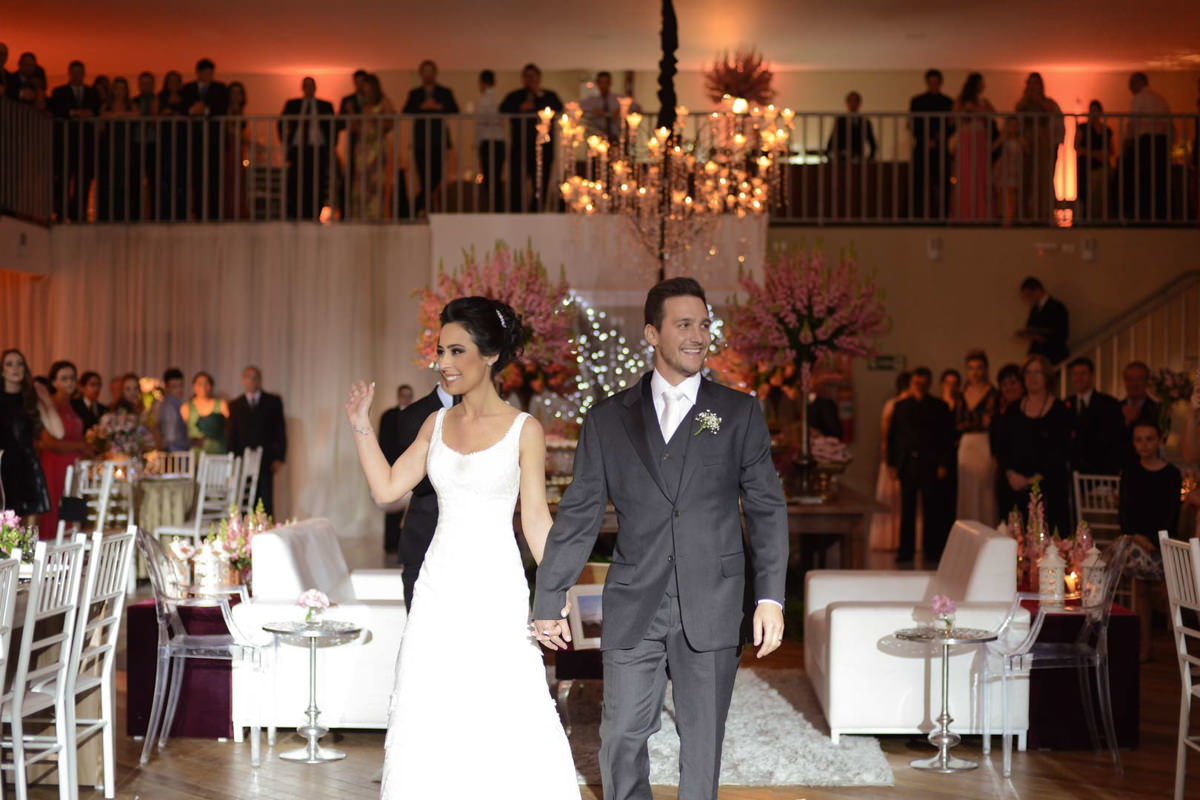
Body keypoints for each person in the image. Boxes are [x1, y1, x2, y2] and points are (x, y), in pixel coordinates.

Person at [532, 277, 787, 800]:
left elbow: (765, 509)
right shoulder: (607, 420)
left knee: (702, 740)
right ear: (652, 333)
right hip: (635, 597)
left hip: (715, 602)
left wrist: (769, 597)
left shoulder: (739, 413)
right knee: (622, 731)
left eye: (704, 324)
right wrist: (548, 596)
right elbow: (578, 514)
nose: (698, 336)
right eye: (684, 325)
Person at [345, 296, 578, 797]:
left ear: (490, 356)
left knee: (504, 702)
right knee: (430, 703)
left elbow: (536, 519)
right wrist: (361, 425)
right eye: (440, 351)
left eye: (457, 351)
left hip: (497, 587)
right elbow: (387, 488)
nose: (444, 364)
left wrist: (555, 595)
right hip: (438, 586)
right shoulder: (436, 424)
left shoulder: (525, 430)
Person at [378, 381, 454, 601]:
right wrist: (360, 425)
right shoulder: (423, 417)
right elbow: (388, 489)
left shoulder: (511, 421)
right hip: (424, 535)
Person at [1118, 420, 1182, 661]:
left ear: (1159, 440)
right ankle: (1145, 645)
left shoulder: (1172, 474)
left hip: (1163, 540)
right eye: (1138, 440)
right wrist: (1138, 537)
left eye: (1149, 439)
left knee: (1169, 594)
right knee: (1141, 591)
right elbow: (1124, 513)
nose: (1144, 445)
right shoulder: (1130, 471)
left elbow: (1172, 513)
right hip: (1137, 539)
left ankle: (1180, 647)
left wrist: (1156, 540)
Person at [994, 354, 1072, 537]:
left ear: (1047, 376)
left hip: (1048, 488)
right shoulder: (1012, 411)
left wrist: (1032, 480)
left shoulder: (1060, 410)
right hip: (1013, 487)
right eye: (1028, 373)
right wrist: (1011, 474)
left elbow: (1061, 451)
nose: (1032, 377)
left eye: (1037, 372)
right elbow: (1001, 447)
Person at [887, 366, 956, 564]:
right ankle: (905, 551)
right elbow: (893, 436)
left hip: (930, 464)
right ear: (911, 383)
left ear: (929, 384)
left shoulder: (939, 407)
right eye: (917, 383)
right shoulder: (900, 406)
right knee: (907, 509)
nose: (920, 386)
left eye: (924, 383)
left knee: (931, 509)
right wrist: (892, 464)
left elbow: (946, 438)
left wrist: (944, 464)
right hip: (907, 463)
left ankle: (932, 550)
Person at [0, 349, 62, 531]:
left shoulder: (31, 398)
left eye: (20, 363)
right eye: (9, 364)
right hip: (3, 468)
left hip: (27, 467)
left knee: (28, 535)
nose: (15, 368)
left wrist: (47, 401)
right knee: (6, 532)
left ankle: (27, 559)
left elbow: (58, 432)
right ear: (2, 370)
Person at [500, 63, 563, 213]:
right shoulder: (515, 96)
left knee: (540, 183)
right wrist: (521, 108)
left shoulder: (548, 96)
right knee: (516, 182)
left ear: (539, 78)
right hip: (520, 147)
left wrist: (538, 97)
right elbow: (503, 109)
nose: (530, 80)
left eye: (533, 77)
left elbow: (558, 108)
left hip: (543, 147)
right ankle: (516, 213)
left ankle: (537, 212)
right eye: (527, 77)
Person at [226, 366, 287, 516]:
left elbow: (280, 430)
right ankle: (245, 532)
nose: (251, 380)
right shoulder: (235, 405)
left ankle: (267, 531)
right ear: (242, 380)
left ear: (260, 380)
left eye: (255, 377)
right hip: (243, 458)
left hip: (266, 458)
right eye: (248, 377)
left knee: (265, 498)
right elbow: (231, 434)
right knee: (244, 499)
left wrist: (279, 457)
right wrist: (233, 459)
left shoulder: (273, 401)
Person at [37, 361, 88, 539]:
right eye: (64, 378)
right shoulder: (49, 406)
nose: (69, 383)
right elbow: (49, 442)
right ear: (53, 382)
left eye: (72, 378)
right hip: (55, 466)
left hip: (73, 466)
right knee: (56, 512)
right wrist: (80, 446)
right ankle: (52, 557)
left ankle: (71, 554)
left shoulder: (73, 405)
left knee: (73, 512)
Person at [403, 60, 458, 217]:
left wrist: (438, 108)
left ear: (435, 73)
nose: (428, 75)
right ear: (421, 74)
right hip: (421, 141)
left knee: (437, 177)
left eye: (430, 71)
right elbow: (406, 110)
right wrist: (423, 108)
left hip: (438, 140)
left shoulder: (444, 92)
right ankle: (422, 208)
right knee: (423, 176)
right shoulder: (415, 94)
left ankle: (422, 208)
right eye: (425, 71)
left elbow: (454, 109)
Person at [50, 60, 101, 222]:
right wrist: (75, 113)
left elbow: (95, 111)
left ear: (84, 74)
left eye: (80, 72)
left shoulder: (92, 92)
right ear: (69, 73)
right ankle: (62, 212)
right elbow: (58, 111)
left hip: (85, 144)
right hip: (66, 143)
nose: (77, 76)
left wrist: (83, 114)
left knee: (84, 179)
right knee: (63, 179)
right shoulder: (59, 92)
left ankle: (80, 213)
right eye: (74, 72)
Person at [181, 58, 229, 220]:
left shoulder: (220, 88)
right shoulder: (188, 89)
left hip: (213, 143)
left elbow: (222, 107)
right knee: (195, 178)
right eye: (205, 73)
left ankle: (213, 214)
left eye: (211, 73)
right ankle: (198, 212)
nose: (208, 76)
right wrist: (192, 111)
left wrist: (205, 110)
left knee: (214, 178)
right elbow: (183, 108)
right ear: (199, 73)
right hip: (193, 142)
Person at [281, 77, 335, 221]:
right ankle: (296, 213)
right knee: (296, 181)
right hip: (298, 148)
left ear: (315, 87)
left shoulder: (325, 105)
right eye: (306, 85)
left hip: (318, 149)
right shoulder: (293, 104)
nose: (308, 88)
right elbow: (281, 123)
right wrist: (286, 142)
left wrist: (331, 147)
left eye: (311, 85)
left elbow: (332, 128)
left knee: (317, 182)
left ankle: (314, 213)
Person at [1121, 72, 1173, 222]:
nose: (1130, 87)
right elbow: (1169, 127)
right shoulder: (1159, 99)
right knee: (1159, 179)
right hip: (1161, 144)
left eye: (1132, 83)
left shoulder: (1140, 99)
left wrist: (1127, 142)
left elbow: (1133, 123)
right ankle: (1160, 214)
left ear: (1139, 82)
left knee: (1144, 179)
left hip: (1146, 143)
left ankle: (1144, 214)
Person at [869, 371, 912, 551]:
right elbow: (887, 436)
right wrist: (887, 460)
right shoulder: (895, 405)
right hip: (896, 459)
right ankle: (890, 539)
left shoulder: (895, 404)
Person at [1014, 72, 1065, 222]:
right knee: (1026, 178)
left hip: (1044, 144)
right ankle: (1025, 215)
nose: (1033, 86)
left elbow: (1057, 124)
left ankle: (1043, 214)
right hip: (1026, 145)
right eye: (1030, 83)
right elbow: (1015, 125)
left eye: (1036, 83)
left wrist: (1055, 144)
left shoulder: (1049, 104)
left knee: (1043, 178)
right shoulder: (1021, 105)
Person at [1064, 357, 1126, 476]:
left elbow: (1114, 440)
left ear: (1091, 375)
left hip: (1101, 470)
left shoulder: (1109, 403)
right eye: (1075, 374)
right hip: (1073, 471)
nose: (1079, 378)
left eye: (1083, 373)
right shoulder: (1066, 404)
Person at [956, 350, 998, 525]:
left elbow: (991, 421)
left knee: (985, 490)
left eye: (979, 368)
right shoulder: (961, 393)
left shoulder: (993, 393)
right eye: (971, 368)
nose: (975, 372)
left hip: (984, 442)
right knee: (965, 489)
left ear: (986, 369)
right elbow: (957, 421)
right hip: (966, 443)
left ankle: (987, 529)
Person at [909, 68, 954, 219]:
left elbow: (951, 126)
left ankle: (943, 216)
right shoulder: (917, 101)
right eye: (931, 83)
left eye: (936, 82)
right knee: (918, 182)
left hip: (940, 148)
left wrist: (938, 139)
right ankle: (915, 216)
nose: (933, 85)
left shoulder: (947, 102)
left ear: (940, 83)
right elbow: (913, 124)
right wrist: (924, 139)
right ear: (927, 83)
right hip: (922, 147)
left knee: (942, 182)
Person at [350, 74, 395, 219]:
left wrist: (376, 120)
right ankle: (359, 215)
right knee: (360, 183)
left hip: (376, 147)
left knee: (375, 183)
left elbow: (390, 123)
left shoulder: (383, 103)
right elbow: (356, 127)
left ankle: (375, 215)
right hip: (362, 147)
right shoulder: (362, 104)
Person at [952, 72, 995, 221]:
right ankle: (965, 212)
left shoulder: (984, 101)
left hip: (980, 139)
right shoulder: (962, 100)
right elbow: (953, 119)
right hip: (967, 139)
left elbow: (992, 115)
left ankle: (981, 211)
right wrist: (966, 111)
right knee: (966, 173)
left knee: (980, 173)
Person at [97, 76, 136, 222]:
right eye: (117, 88)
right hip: (109, 147)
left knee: (124, 180)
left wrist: (117, 115)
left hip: (125, 146)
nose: (119, 91)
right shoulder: (106, 106)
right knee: (108, 179)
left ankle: (123, 214)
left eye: (122, 88)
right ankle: (106, 214)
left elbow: (137, 116)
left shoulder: (131, 105)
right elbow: (101, 123)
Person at [1074, 100, 1114, 221]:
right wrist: (1093, 154)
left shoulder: (1106, 130)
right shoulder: (1083, 128)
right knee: (1087, 191)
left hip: (1102, 165)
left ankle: (1102, 216)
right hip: (1087, 165)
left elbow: (1112, 149)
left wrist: (1103, 155)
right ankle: (1086, 216)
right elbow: (1076, 146)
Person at [157, 70, 189, 220]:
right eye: (170, 81)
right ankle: (165, 212)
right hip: (165, 143)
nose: (173, 84)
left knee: (181, 178)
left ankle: (181, 213)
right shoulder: (161, 99)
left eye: (176, 81)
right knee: (165, 177)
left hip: (182, 143)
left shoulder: (185, 100)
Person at [337, 69, 368, 217]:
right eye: (357, 82)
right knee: (350, 175)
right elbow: (340, 123)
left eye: (362, 82)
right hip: (354, 143)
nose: (359, 85)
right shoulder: (348, 100)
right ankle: (347, 212)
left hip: (369, 144)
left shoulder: (372, 99)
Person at [1018, 276, 1069, 365]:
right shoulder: (1035, 309)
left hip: (1053, 353)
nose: (1028, 299)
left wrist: (1042, 336)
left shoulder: (1056, 307)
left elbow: (1061, 332)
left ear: (1038, 290)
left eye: (1029, 295)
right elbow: (1030, 326)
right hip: (1039, 353)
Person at [475, 70, 506, 211]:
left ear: (482, 83)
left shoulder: (483, 100)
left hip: (488, 141)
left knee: (489, 178)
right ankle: (497, 207)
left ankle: (494, 208)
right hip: (500, 141)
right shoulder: (500, 98)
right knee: (497, 177)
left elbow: (481, 124)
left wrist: (477, 143)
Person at [131, 71, 158, 221]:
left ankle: (154, 215)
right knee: (135, 181)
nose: (146, 86)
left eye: (149, 83)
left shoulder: (159, 101)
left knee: (154, 181)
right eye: (143, 83)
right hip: (137, 144)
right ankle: (135, 215)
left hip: (153, 145)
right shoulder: (133, 102)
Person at [182, 371, 227, 454]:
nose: (203, 387)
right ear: (194, 386)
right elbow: (181, 432)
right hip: (195, 453)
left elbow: (228, 428)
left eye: (206, 384)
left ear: (211, 386)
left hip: (217, 451)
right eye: (199, 384)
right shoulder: (186, 407)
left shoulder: (221, 404)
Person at [223, 81, 250, 220]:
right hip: (229, 149)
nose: (235, 96)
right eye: (233, 92)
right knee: (229, 180)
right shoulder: (227, 111)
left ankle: (238, 211)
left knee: (239, 181)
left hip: (238, 151)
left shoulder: (240, 112)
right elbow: (231, 130)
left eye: (238, 93)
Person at [826, 90, 876, 161]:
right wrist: (829, 156)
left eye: (855, 101)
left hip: (858, 158)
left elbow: (872, 141)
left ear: (859, 104)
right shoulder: (840, 121)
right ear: (847, 103)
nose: (853, 104)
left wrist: (870, 158)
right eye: (851, 101)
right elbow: (833, 139)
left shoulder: (864, 122)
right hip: (842, 158)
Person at [993, 116, 1026, 226]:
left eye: (1015, 126)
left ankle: (1010, 218)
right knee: (1003, 193)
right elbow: (993, 148)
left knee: (1012, 193)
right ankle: (1002, 216)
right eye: (1011, 125)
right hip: (1004, 169)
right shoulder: (1004, 138)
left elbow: (1027, 149)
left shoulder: (1020, 140)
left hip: (1015, 169)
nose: (1013, 128)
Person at [579, 70, 624, 142]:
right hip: (598, 136)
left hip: (616, 135)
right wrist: (593, 111)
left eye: (606, 82)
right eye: (601, 82)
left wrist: (621, 110)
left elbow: (635, 106)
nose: (604, 85)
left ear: (610, 83)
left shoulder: (618, 99)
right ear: (597, 83)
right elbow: (577, 107)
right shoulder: (592, 101)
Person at [153, 367, 190, 452]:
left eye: (181, 385)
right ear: (167, 388)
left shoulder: (176, 405)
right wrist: (191, 442)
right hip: (174, 453)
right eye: (174, 387)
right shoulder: (169, 406)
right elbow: (170, 438)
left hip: (175, 451)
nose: (179, 390)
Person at [1121, 360, 1160, 430]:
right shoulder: (1114, 409)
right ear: (1125, 381)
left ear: (1147, 381)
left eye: (1139, 379)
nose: (1134, 384)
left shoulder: (1158, 410)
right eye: (1130, 379)